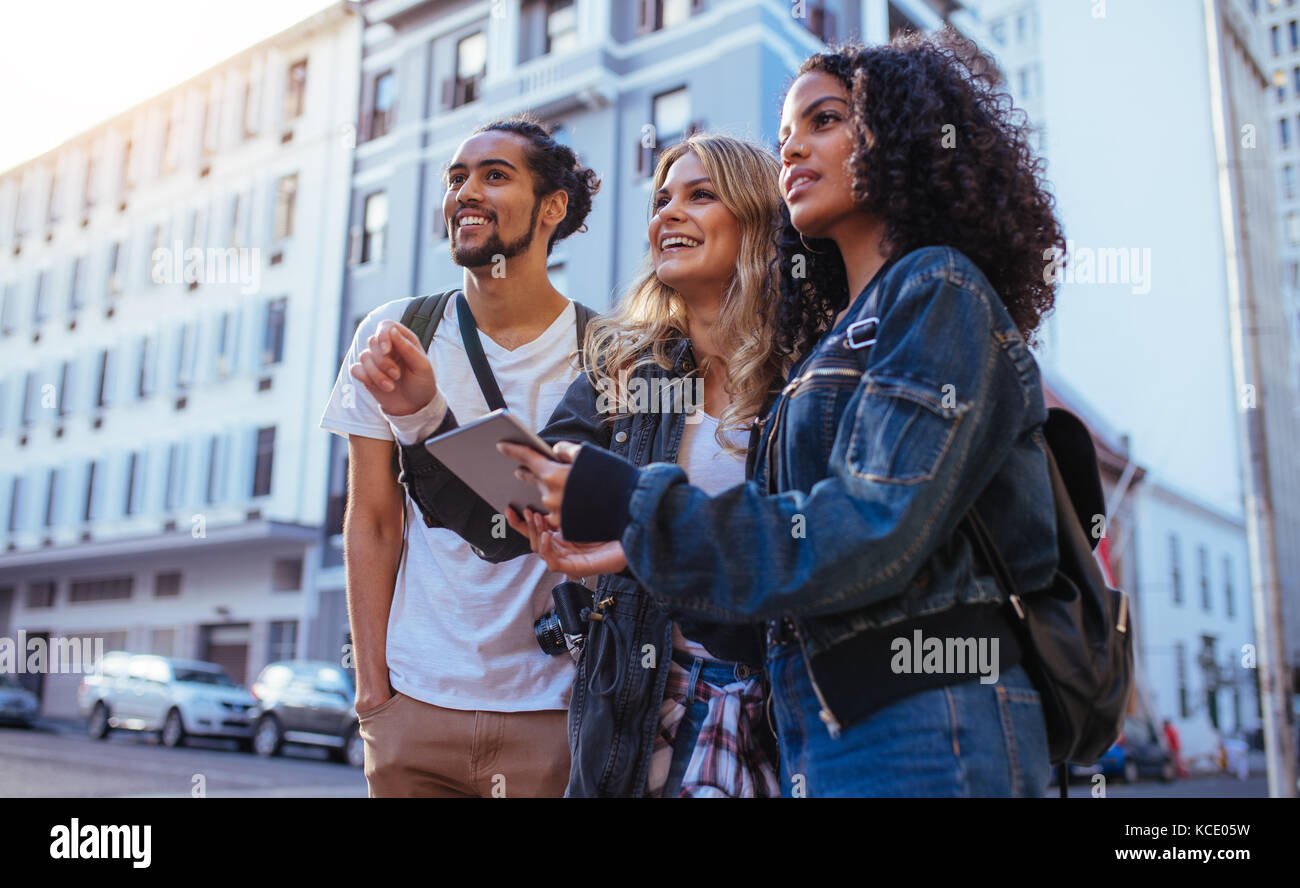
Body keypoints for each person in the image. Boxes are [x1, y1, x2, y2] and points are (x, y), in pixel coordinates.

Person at [502, 32, 1069, 798]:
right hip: (823, 727)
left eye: (825, 120)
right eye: (784, 135)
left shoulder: (940, 291)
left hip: (929, 721)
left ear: (901, 136)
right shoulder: (834, 345)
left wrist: (637, 511)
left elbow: (865, 527)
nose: (794, 147)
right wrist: (639, 550)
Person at [360, 134, 789, 797]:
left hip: (779, 710)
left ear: (760, 217)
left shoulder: (808, 372)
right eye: (661, 199)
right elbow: (518, 509)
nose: (668, 214)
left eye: (701, 195)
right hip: (644, 713)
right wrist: (424, 415)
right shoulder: (626, 366)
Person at [318, 115, 599, 797]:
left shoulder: (608, 350)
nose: (465, 193)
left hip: (550, 711)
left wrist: (427, 416)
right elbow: (374, 522)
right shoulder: (396, 333)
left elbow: (552, 525)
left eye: (494, 176)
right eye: (456, 178)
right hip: (415, 706)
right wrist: (374, 692)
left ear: (552, 207)